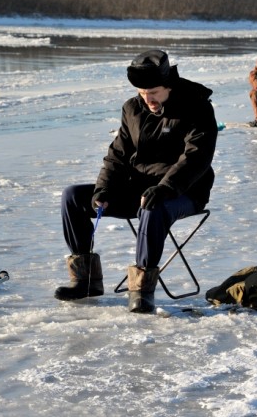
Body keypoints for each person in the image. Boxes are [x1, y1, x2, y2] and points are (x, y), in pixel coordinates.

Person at [56, 49, 218, 313]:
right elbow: (117, 155)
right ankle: (85, 281)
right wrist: (104, 189)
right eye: (143, 93)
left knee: (152, 206)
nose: (148, 99)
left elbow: (197, 158)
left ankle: (142, 291)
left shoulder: (196, 106)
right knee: (73, 197)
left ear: (169, 86)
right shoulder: (132, 109)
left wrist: (166, 188)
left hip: (184, 190)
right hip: (138, 187)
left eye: (153, 92)